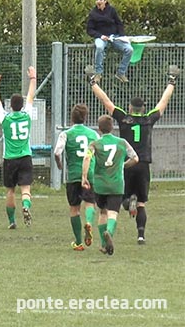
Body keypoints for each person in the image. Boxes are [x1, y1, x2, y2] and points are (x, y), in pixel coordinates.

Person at [85, 65, 179, 244]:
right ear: (143, 108)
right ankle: (141, 235)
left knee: (121, 199)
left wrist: (92, 83)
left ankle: (128, 202)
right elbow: (163, 102)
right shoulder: (148, 119)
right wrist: (171, 82)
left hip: (127, 163)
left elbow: (106, 101)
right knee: (142, 202)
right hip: (143, 163)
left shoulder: (123, 118)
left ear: (130, 107)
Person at [82, 115, 139, 256]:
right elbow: (135, 158)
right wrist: (123, 165)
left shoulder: (94, 144)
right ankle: (109, 232)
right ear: (112, 127)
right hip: (116, 184)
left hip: (100, 185)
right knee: (113, 213)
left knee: (102, 212)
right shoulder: (122, 142)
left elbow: (87, 157)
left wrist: (84, 176)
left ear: (99, 129)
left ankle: (103, 243)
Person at [0, 67, 36, 229]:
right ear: (22, 104)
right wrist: (33, 78)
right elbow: (31, 96)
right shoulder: (27, 115)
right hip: (25, 156)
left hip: (9, 159)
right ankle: (26, 205)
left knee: (10, 191)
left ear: (10, 106)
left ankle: (12, 221)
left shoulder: (5, 118)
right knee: (26, 188)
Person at [54, 104, 99, 251]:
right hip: (90, 175)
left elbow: (57, 152)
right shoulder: (93, 134)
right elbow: (99, 152)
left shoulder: (66, 134)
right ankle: (89, 223)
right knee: (90, 203)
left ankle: (79, 242)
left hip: (73, 175)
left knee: (74, 208)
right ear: (85, 117)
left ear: (71, 118)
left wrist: (59, 164)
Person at [86, 0, 132, 83]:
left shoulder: (112, 10)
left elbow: (119, 24)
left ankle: (120, 73)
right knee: (99, 47)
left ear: (105, 1)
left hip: (114, 37)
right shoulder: (93, 14)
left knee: (129, 49)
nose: (98, 1)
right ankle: (98, 73)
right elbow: (90, 30)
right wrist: (100, 36)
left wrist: (122, 36)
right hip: (101, 37)